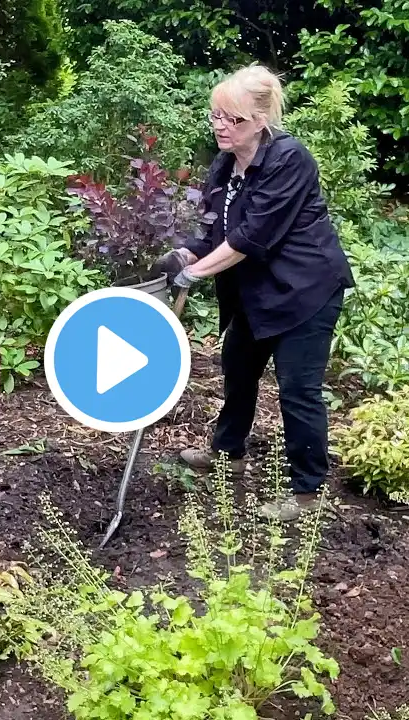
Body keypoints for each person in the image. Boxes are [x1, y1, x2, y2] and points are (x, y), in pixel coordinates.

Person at [157, 65, 354, 521]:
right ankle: (229, 455)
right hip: (255, 294)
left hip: (305, 292)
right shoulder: (225, 164)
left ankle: (307, 492)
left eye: (234, 119)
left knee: (298, 391)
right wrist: (184, 255)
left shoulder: (290, 160)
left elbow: (252, 237)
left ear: (262, 119)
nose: (222, 127)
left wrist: (195, 274)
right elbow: (213, 231)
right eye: (216, 117)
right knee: (238, 372)